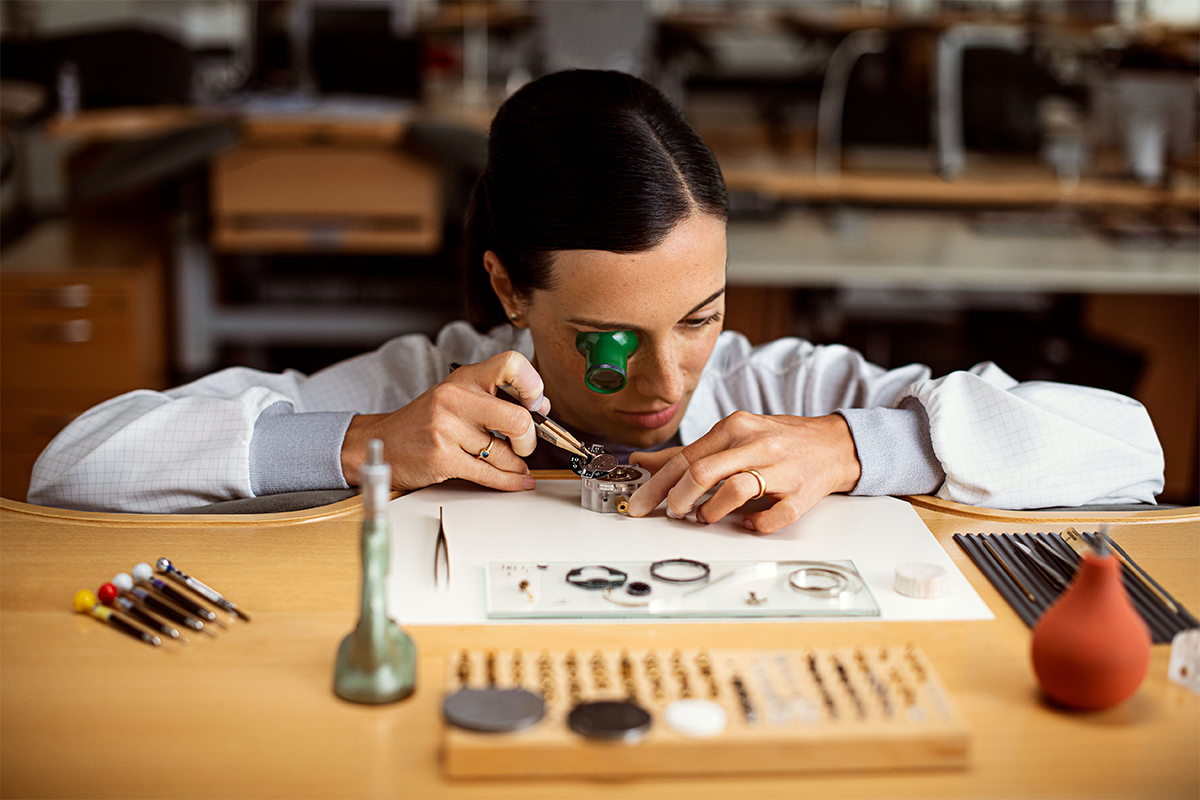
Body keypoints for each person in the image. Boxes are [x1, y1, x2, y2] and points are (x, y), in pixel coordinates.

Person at [28, 70, 1164, 529]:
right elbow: (72, 466)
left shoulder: (780, 394)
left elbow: (1132, 450)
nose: (671, 384)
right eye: (609, 338)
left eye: (699, 314)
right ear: (509, 289)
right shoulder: (420, 392)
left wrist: (862, 445)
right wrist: (360, 442)